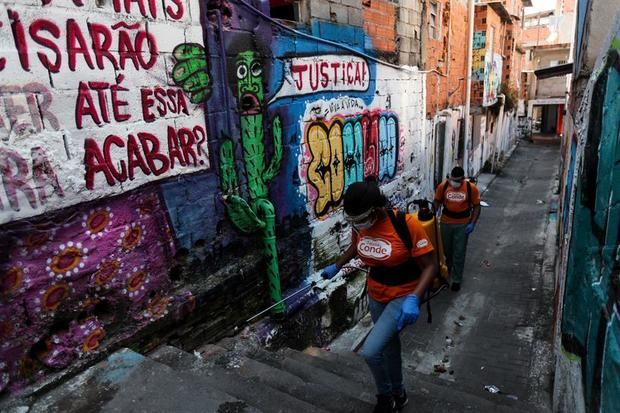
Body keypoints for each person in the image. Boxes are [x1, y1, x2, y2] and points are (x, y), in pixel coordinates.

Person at [320, 180, 437, 413]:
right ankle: (399, 392)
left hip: (403, 294)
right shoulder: (361, 225)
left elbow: (431, 266)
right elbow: (356, 246)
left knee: (371, 350)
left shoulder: (406, 224)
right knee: (389, 347)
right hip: (376, 293)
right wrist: (337, 265)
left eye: (360, 219)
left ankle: (385, 396)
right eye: (353, 221)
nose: (357, 225)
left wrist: (414, 298)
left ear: (376, 209)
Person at [432, 166, 481, 292]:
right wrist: (432, 216)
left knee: (459, 252)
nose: (455, 183)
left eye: (458, 181)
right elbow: (437, 202)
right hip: (445, 223)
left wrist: (472, 223)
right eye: (453, 180)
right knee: (445, 251)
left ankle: (457, 279)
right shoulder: (443, 187)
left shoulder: (471, 188)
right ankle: (445, 274)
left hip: (463, 224)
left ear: (463, 179)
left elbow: (476, 207)